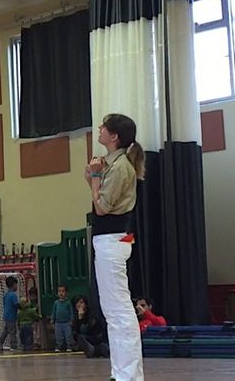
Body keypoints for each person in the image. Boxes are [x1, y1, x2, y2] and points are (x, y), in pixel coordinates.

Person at [86, 114, 145, 380]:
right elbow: (98, 195)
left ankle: (128, 375)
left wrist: (96, 179)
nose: (99, 130)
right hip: (107, 240)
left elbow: (101, 207)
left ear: (114, 137)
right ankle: (122, 372)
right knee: (113, 310)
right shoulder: (113, 164)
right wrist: (93, 176)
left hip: (112, 239)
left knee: (119, 310)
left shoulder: (121, 167)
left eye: (104, 128)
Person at [0, 276, 20, 352]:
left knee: (6, 330)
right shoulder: (13, 295)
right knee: (12, 331)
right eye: (16, 285)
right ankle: (13, 346)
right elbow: (16, 305)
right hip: (11, 317)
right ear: (14, 285)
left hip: (6, 316)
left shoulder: (6, 295)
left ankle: (0, 341)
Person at [51, 285, 74, 350]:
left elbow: (71, 312)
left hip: (66, 322)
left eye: (63, 291)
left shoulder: (68, 303)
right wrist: (52, 319)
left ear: (66, 293)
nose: (61, 293)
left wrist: (71, 320)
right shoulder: (56, 303)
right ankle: (59, 346)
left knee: (68, 335)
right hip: (58, 323)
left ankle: (69, 346)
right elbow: (54, 311)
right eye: (59, 291)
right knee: (58, 336)